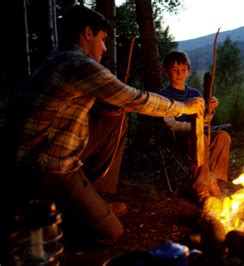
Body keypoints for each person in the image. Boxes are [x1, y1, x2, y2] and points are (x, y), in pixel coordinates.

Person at [12, 6, 204, 244]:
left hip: (48, 151)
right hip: (46, 167)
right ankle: (61, 217)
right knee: (111, 232)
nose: (104, 48)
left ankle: (95, 196)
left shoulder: (57, 59)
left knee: (114, 117)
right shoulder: (79, 63)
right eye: (103, 40)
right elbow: (136, 98)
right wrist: (184, 107)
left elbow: (65, 111)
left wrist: (106, 108)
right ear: (88, 33)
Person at [158, 50, 231, 202]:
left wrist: (210, 111)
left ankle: (214, 180)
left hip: (200, 132)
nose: (180, 74)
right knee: (201, 138)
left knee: (223, 137)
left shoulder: (195, 93)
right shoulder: (163, 95)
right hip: (178, 138)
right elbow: (170, 124)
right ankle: (202, 186)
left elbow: (203, 121)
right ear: (166, 71)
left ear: (188, 71)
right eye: (175, 70)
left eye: (183, 70)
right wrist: (195, 129)